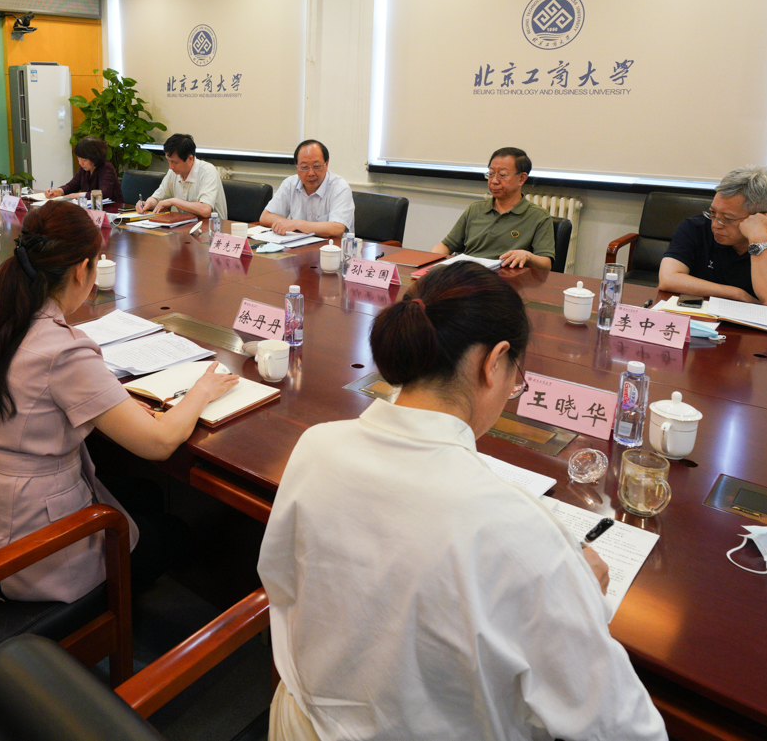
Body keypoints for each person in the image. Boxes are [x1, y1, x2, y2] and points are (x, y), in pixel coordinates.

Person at [258, 262, 666, 741]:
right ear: (494, 361)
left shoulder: (317, 445)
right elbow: (626, 729)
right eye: (517, 375)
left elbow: (281, 584)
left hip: (298, 723)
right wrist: (577, 597)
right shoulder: (520, 531)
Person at [0, 201, 238, 602]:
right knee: (173, 532)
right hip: (26, 557)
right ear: (82, 269)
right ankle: (116, 622)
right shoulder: (63, 350)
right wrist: (203, 388)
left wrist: (114, 404)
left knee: (145, 495)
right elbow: (159, 443)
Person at [659, 165, 767, 307]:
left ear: (758, 217)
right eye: (713, 213)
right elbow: (668, 279)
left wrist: (758, 238)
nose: (715, 224)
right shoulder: (694, 227)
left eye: (727, 218)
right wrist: (736, 294)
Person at [431, 147, 554, 269]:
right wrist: (430, 262)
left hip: (505, 277)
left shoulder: (538, 216)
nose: (494, 181)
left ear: (521, 178)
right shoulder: (475, 209)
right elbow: (446, 246)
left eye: (502, 175)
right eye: (490, 174)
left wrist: (528, 256)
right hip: (467, 274)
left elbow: (546, 264)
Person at [259, 140, 354, 239]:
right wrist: (289, 224)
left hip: (332, 247)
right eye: (304, 167)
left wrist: (296, 224)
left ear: (326, 164)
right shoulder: (290, 184)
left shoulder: (339, 187)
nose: (311, 173)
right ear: (296, 166)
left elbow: (337, 229)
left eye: (316, 166)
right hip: (298, 245)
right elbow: (265, 217)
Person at [136, 133, 227, 219]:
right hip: (186, 225)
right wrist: (147, 204)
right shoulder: (173, 172)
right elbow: (158, 198)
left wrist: (173, 201)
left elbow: (205, 210)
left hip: (213, 227)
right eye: (168, 161)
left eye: (175, 162)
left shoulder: (208, 171)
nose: (171, 167)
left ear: (190, 159)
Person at [43, 135, 123, 204]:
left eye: (84, 160)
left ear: (95, 158)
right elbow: (72, 185)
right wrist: (58, 191)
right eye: (79, 158)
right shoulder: (85, 168)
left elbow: (104, 194)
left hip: (112, 210)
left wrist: (79, 195)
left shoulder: (106, 168)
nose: (80, 163)